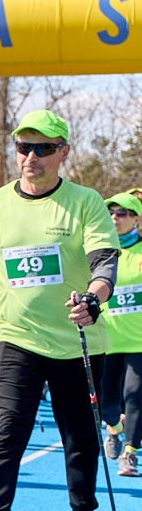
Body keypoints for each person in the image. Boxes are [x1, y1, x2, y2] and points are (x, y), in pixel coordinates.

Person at [0, 109, 120, 511]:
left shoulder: (86, 202)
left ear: (64, 152)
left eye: (43, 148)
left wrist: (93, 299)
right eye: (24, 147)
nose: (31, 157)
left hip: (78, 339)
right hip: (13, 338)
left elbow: (105, 264)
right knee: (7, 434)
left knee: (80, 441)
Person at [101, 191, 142, 477]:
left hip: (138, 341)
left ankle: (130, 452)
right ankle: (114, 429)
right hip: (107, 340)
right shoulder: (101, 252)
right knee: (106, 403)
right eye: (111, 212)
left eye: (123, 213)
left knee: (134, 395)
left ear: (136, 218)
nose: (115, 217)